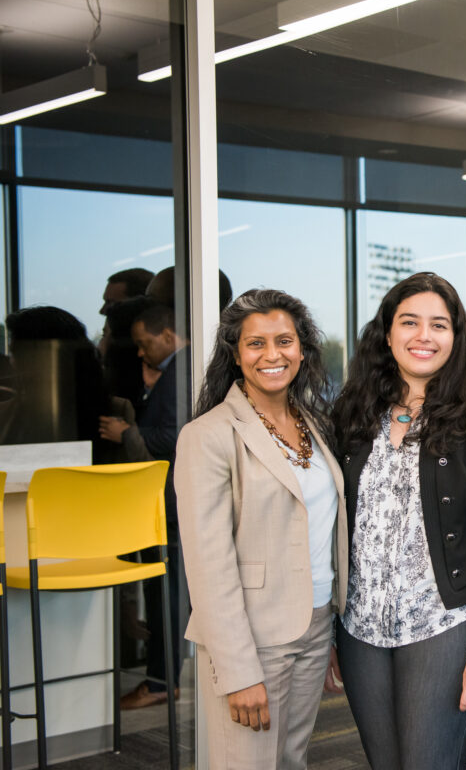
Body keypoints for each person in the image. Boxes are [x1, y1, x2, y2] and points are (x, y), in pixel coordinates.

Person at [331, 272, 466, 769]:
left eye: (439, 325)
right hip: (361, 630)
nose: (424, 335)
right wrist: (333, 631)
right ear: (387, 333)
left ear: (455, 338)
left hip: (444, 626)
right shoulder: (353, 412)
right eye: (410, 322)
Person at [175, 289, 347, 768]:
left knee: (293, 761)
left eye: (285, 341)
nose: (273, 355)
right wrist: (237, 670)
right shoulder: (207, 436)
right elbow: (209, 566)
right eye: (256, 344)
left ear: (302, 349)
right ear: (235, 354)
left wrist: (331, 629)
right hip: (251, 638)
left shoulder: (313, 423)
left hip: (314, 626)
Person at [118, 303, 190, 709]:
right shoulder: (176, 371)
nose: (141, 353)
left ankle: (161, 681)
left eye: (144, 344)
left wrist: (127, 430)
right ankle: (162, 679)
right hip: (172, 503)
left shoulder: (180, 372)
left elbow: (172, 438)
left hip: (170, 503)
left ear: (166, 336)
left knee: (167, 595)